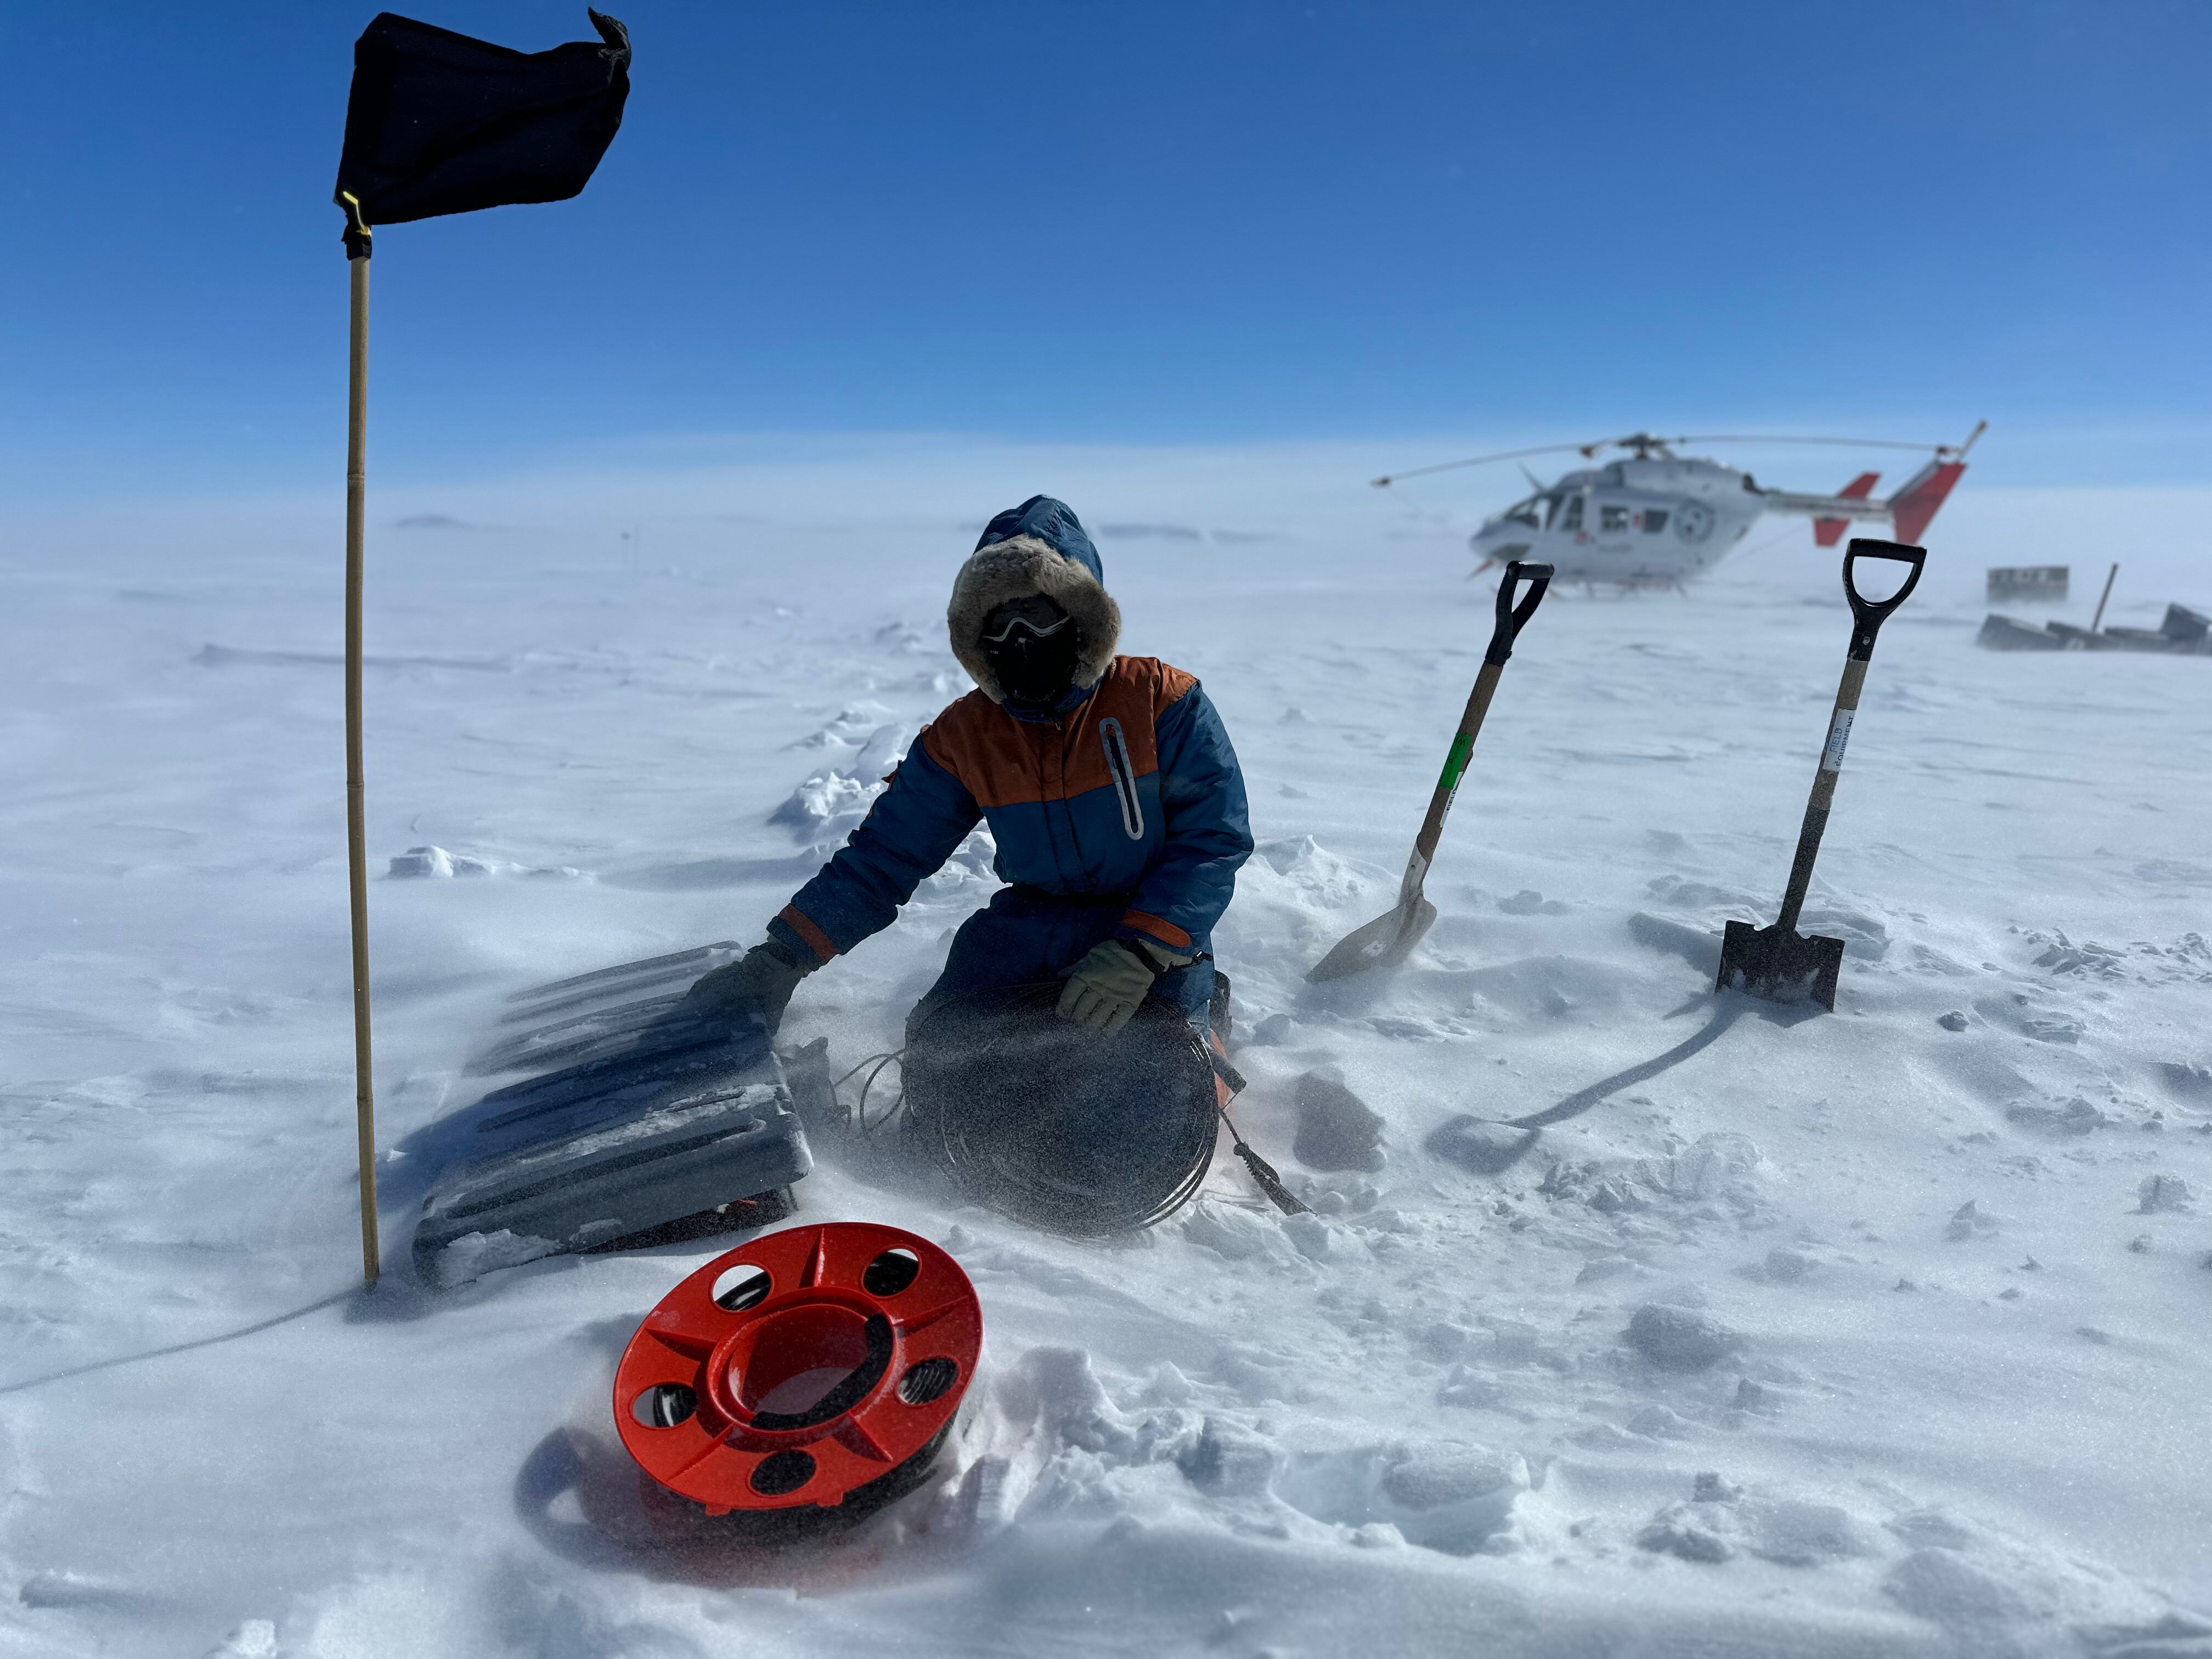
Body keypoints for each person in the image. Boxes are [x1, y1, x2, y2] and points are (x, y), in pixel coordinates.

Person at [688, 495, 1252, 1058]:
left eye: (1036, 616)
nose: (1019, 642)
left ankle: (1207, 1032)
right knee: (942, 1049)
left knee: (1150, 1079)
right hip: (1029, 927)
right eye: (998, 626)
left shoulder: (1161, 702)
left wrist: (1143, 949)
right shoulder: (965, 736)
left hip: (1148, 923)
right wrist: (783, 959)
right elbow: (884, 859)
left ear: (1080, 618)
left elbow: (1213, 840)